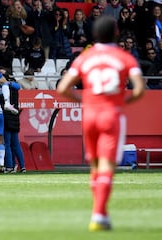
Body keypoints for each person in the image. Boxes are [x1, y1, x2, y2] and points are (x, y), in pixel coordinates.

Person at [57, 16, 145, 231]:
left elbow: (62, 88)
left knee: (95, 166)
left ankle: (101, 214)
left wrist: (84, 99)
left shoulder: (85, 57)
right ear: (116, 34)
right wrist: (123, 101)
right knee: (107, 166)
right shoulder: (124, 57)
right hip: (111, 114)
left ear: (95, 34)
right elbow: (140, 89)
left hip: (89, 114)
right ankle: (98, 215)